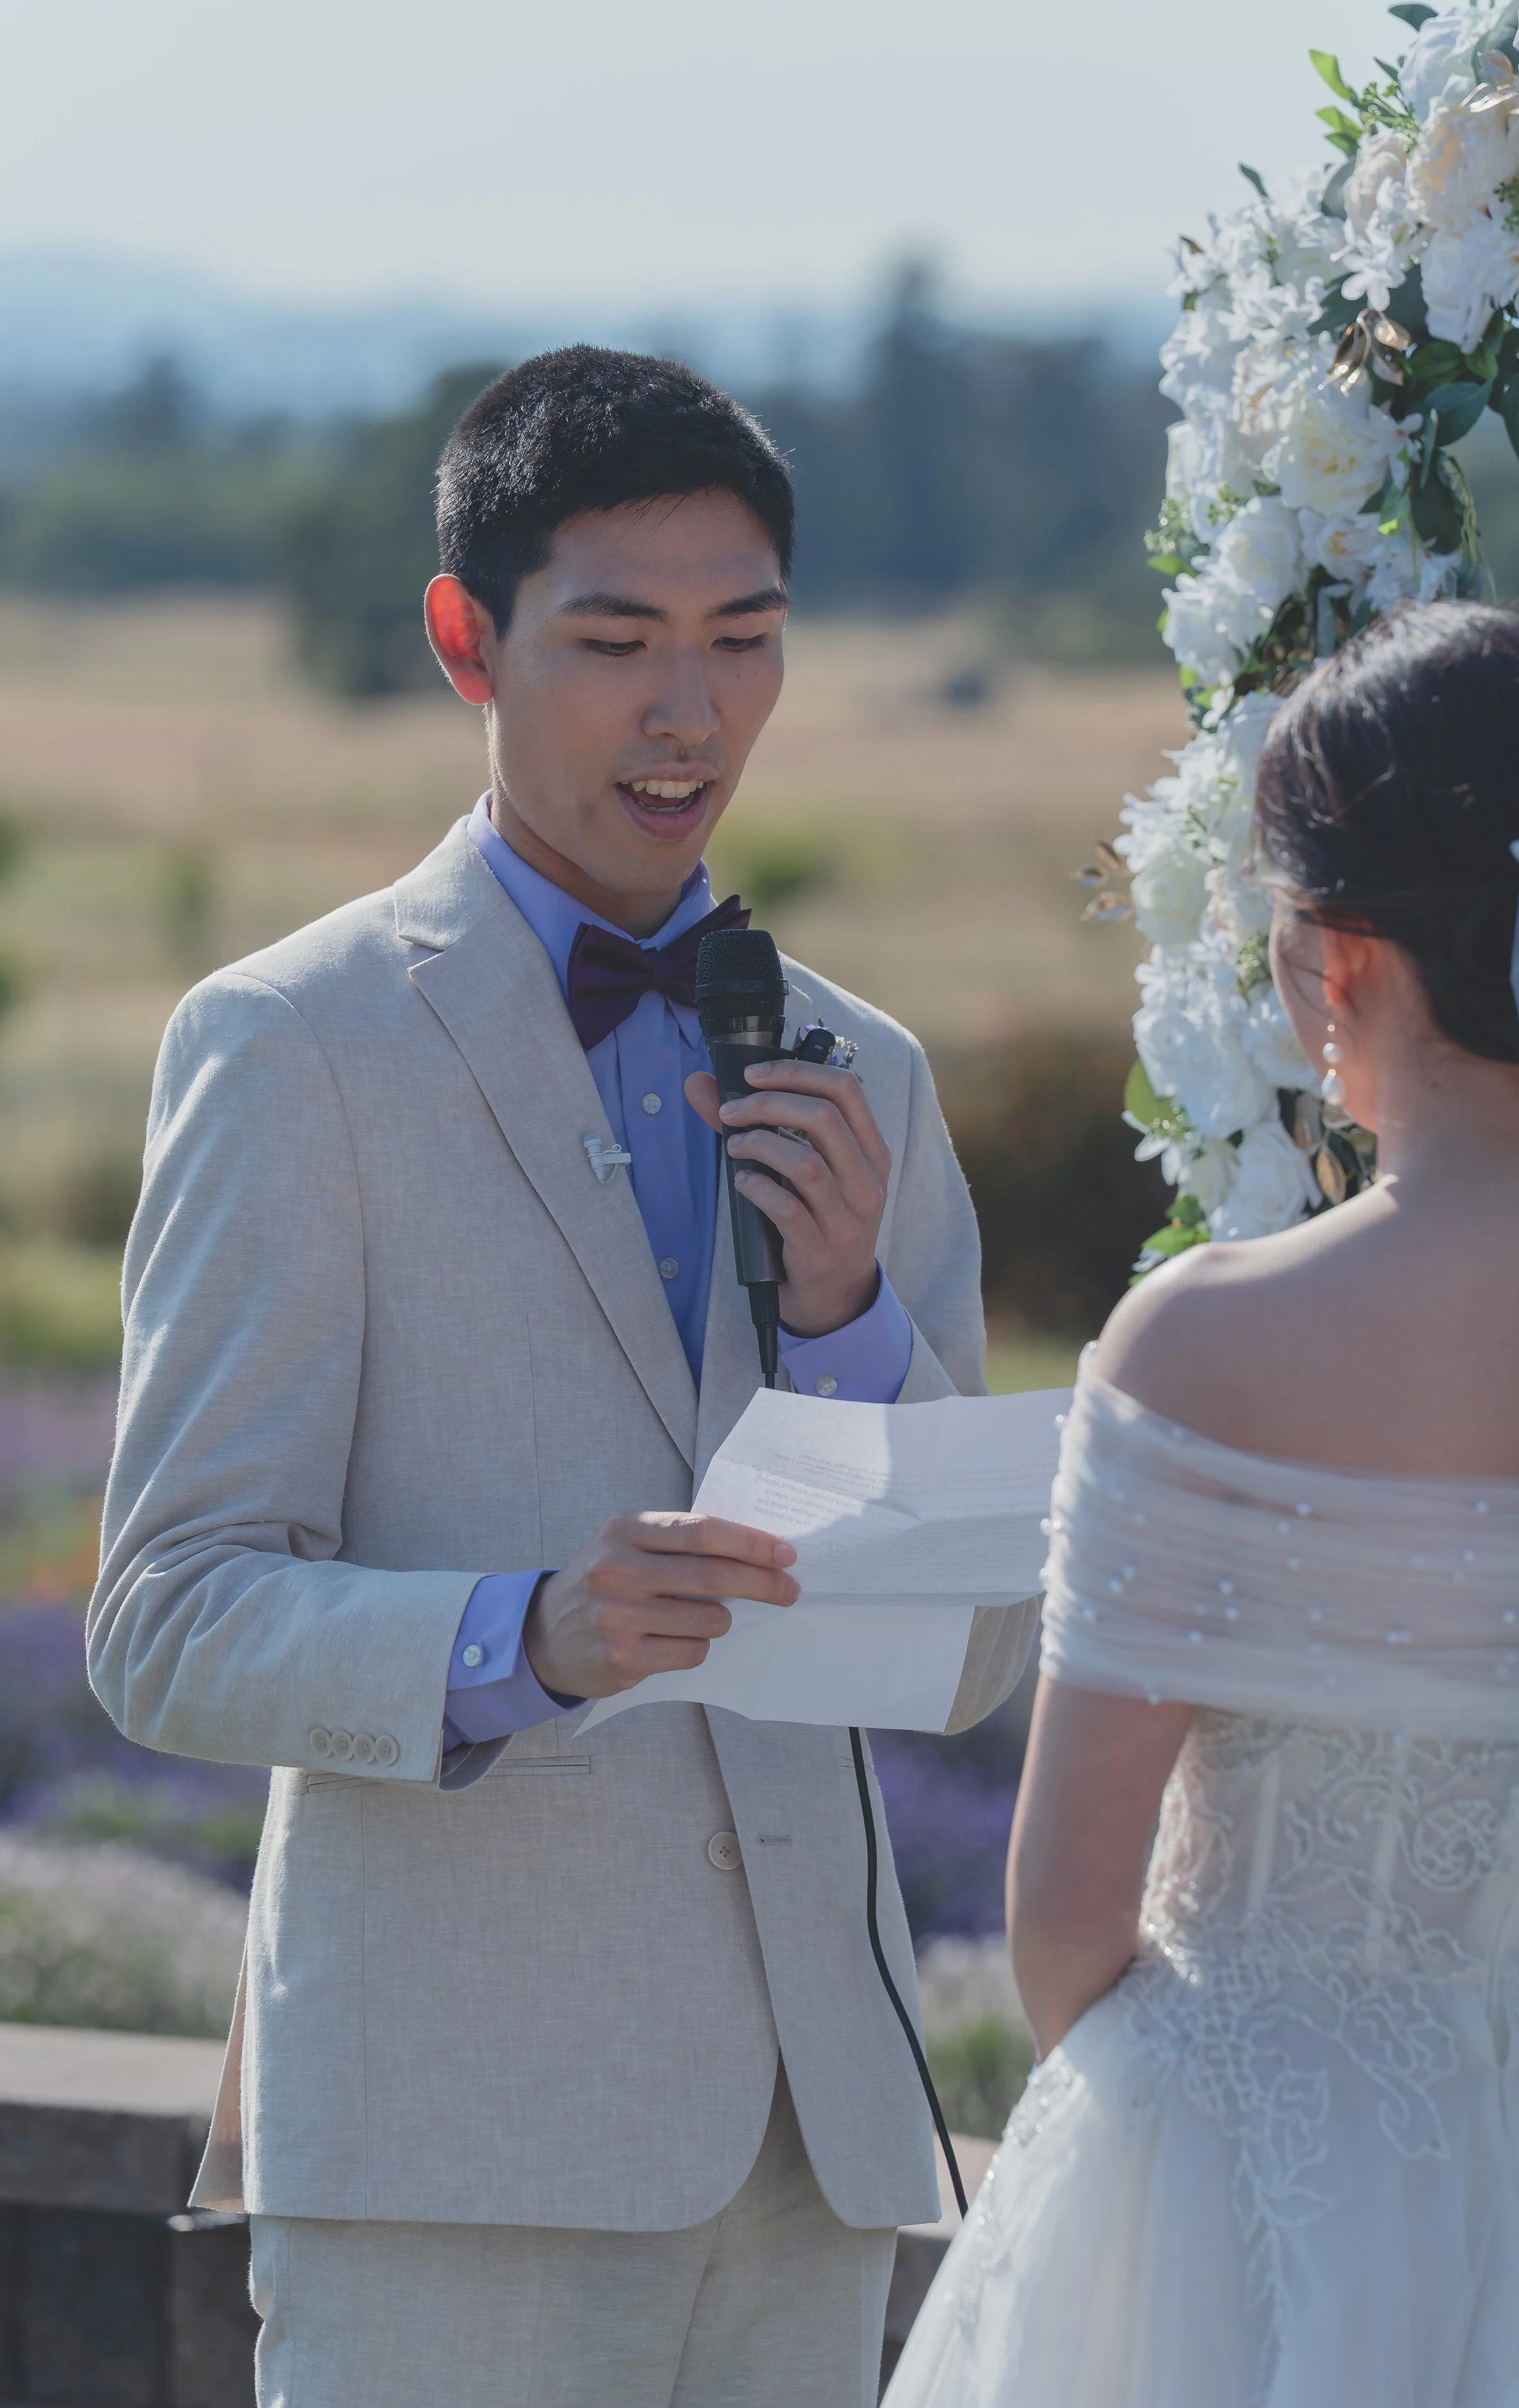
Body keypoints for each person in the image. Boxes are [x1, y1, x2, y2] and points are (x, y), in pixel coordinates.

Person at [87, 345, 1037, 2408]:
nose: (686, 710)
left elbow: (967, 1663)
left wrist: (860, 1314)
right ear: (465, 638)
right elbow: (164, 1618)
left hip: (820, 2160)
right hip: (449, 2162)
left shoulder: (862, 1067)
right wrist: (526, 1634)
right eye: (614, 641)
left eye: (742, 640)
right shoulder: (292, 1046)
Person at [885, 600, 1519, 2406]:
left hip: (1255, 2181)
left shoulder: (1210, 1340)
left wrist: (1180, 2155)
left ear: (1332, 953)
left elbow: (1064, 1906)